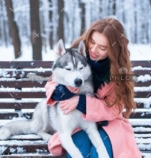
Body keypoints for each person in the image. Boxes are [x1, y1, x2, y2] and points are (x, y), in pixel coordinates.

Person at [45, 18, 142, 158]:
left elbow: (115, 108)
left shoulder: (117, 71)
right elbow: (52, 82)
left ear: (113, 50)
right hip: (79, 124)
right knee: (82, 152)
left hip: (108, 125)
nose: (94, 50)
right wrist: (62, 91)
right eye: (92, 42)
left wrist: (81, 102)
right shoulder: (75, 53)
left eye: (103, 48)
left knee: (97, 155)